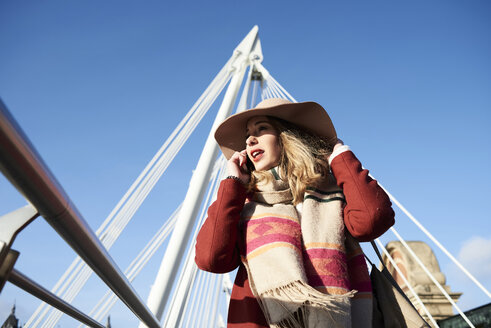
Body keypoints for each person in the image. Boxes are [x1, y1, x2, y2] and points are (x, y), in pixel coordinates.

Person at [195, 98, 395, 328]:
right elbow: (211, 259)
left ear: (287, 137)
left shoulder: (334, 192)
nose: (250, 140)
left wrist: (340, 155)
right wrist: (233, 184)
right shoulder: (243, 207)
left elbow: (372, 220)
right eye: (247, 136)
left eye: (261, 129)